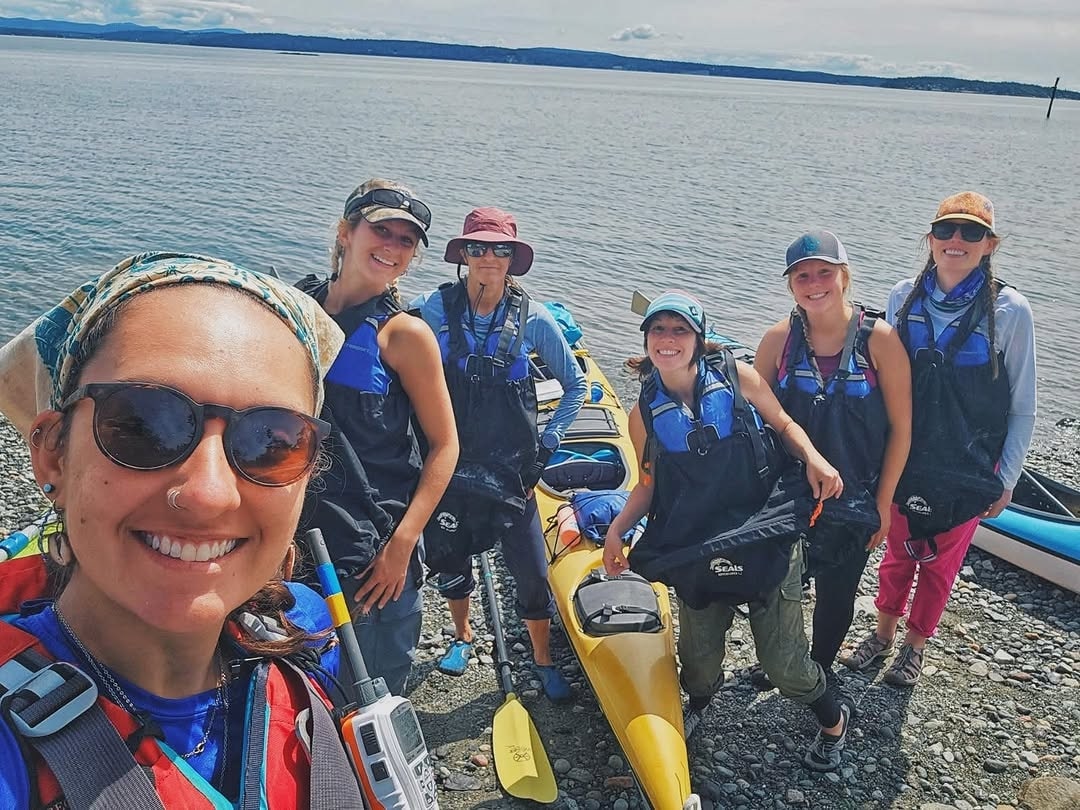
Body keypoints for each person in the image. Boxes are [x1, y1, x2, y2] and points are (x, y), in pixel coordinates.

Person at [0, 253, 367, 808]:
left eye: (271, 441)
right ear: (52, 454)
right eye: (143, 424)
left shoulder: (307, 635)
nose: (208, 494)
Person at [601, 290, 853, 772]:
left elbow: (783, 423)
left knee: (784, 666)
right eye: (658, 330)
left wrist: (817, 459)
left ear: (699, 339)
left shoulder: (738, 378)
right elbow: (648, 487)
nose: (668, 340)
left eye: (680, 331)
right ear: (647, 339)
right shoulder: (644, 415)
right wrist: (617, 531)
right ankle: (698, 703)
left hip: (764, 530)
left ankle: (832, 719)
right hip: (699, 540)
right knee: (697, 663)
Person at [840, 191, 1037, 686]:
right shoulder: (902, 297)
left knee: (940, 564)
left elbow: (1022, 405)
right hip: (906, 457)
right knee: (896, 552)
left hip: (969, 465)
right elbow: (883, 382)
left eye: (972, 232)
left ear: (989, 245)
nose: (957, 240)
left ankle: (915, 646)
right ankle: (882, 635)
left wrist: (1006, 478)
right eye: (946, 230)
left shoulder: (1010, 310)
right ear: (930, 239)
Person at [411, 207, 587, 701]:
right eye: (478, 247)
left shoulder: (537, 320)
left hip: (513, 470)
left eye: (500, 249)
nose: (489, 257)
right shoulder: (430, 308)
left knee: (531, 568)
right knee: (449, 555)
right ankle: (463, 636)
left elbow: (574, 386)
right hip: (449, 465)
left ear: (514, 259)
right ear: (463, 255)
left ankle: (543, 658)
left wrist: (549, 443)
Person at [297, 179, 458, 696]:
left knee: (371, 695)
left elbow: (445, 445)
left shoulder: (403, 336)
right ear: (346, 232)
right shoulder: (299, 307)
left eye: (405, 241)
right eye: (380, 230)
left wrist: (402, 546)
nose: (390, 247)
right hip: (290, 535)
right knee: (295, 684)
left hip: (372, 548)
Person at [754, 231, 911, 704]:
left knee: (837, 594)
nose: (814, 283)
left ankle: (817, 671)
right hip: (788, 496)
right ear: (791, 285)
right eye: (803, 275)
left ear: (844, 276)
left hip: (856, 498)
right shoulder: (778, 341)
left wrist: (884, 505)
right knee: (777, 587)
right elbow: (755, 421)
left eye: (825, 272)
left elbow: (902, 429)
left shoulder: (879, 340)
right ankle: (782, 660)